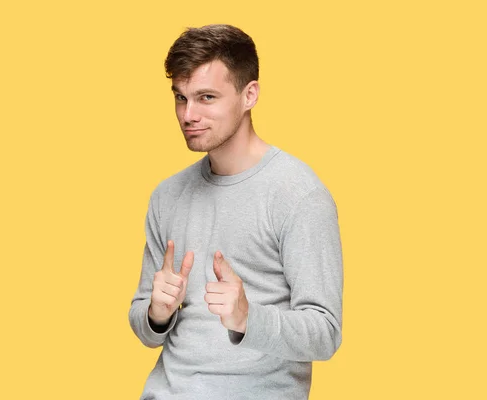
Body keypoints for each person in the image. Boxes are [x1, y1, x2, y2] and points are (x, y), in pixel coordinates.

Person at [129, 24, 343, 400]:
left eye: (206, 97)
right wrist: (156, 314)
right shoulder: (167, 196)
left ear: (250, 95)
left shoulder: (299, 194)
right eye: (181, 98)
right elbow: (144, 328)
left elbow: (325, 334)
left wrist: (248, 318)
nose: (188, 114)